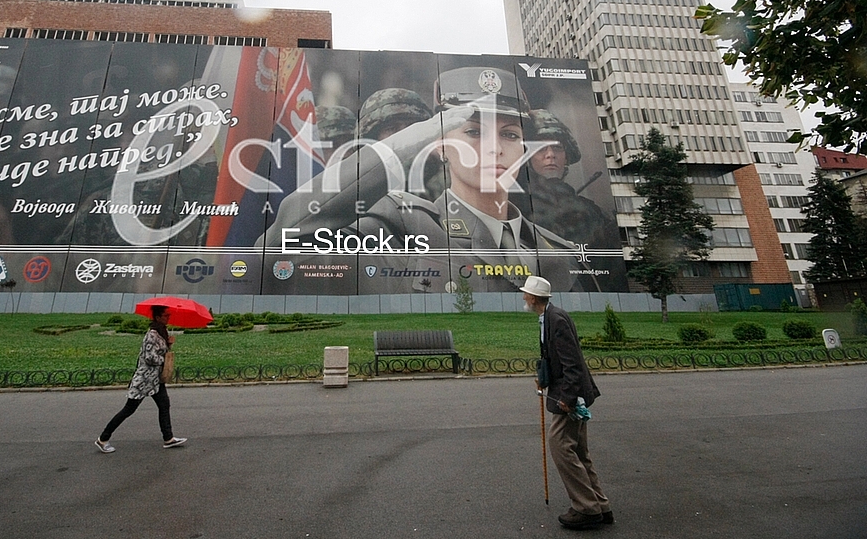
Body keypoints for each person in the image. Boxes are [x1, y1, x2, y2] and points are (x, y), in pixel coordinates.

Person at [262, 67, 595, 293]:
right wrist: (400, 147)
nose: (494, 148)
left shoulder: (559, 251)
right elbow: (278, 254)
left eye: (509, 134)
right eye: (474, 132)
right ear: (440, 146)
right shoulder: (401, 225)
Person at [522, 275, 612, 530]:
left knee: (560, 445)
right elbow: (554, 357)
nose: (523, 297)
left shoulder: (556, 319)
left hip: (569, 395)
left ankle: (586, 508)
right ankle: (601, 506)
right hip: (565, 390)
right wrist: (544, 377)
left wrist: (567, 398)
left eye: (525, 294)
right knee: (579, 452)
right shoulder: (548, 317)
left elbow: (572, 363)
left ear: (534, 298)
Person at [95, 305, 188, 452]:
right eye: (165, 315)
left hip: (155, 380)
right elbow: (149, 357)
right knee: (128, 409)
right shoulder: (152, 335)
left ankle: (168, 438)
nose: (168, 317)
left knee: (164, 405)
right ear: (157, 317)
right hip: (144, 380)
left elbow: (157, 351)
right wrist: (164, 360)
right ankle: (103, 438)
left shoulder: (160, 332)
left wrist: (168, 345)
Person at [523, 109, 618, 251]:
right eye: (541, 149)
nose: (550, 155)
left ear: (566, 157)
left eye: (557, 148)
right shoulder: (517, 207)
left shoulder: (595, 214)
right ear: (528, 158)